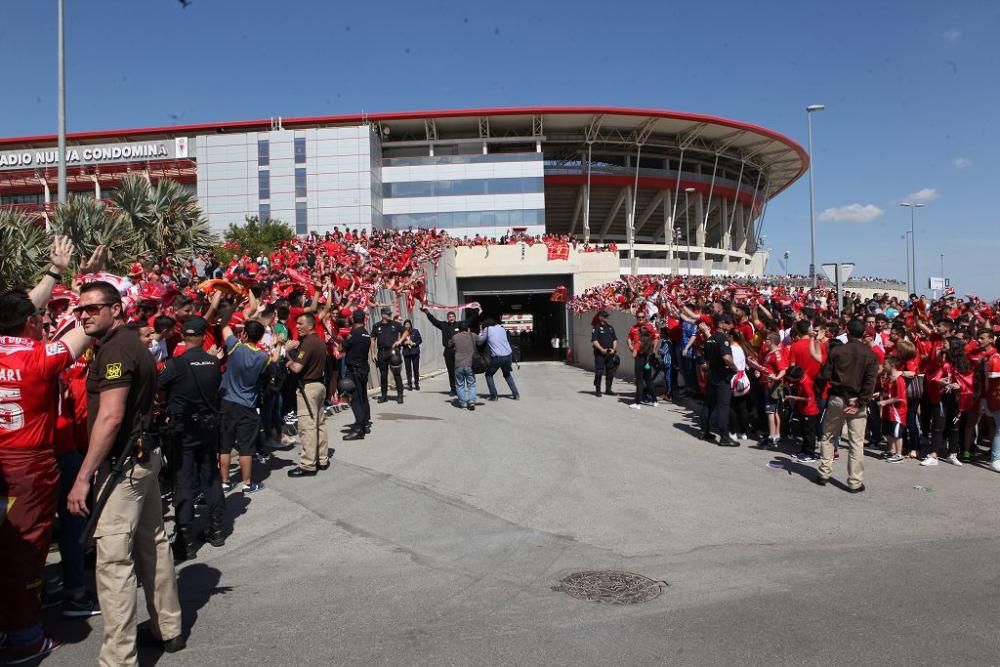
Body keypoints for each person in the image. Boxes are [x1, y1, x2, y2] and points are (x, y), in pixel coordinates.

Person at [66, 280, 185, 665]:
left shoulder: (117, 348)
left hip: (124, 466)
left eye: (92, 308)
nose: (83, 315)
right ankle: (168, 627)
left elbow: (112, 415)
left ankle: (118, 658)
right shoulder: (127, 342)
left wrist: (84, 476)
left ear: (116, 310)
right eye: (79, 309)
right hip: (143, 458)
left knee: (114, 561)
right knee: (154, 544)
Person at [0, 238, 94, 664]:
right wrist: (88, 282)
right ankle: (24, 636)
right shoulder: (40, 357)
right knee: (27, 549)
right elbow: (86, 328)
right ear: (32, 323)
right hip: (30, 465)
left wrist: (55, 274)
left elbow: (17, 314)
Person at [157, 316, 226, 561]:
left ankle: (185, 539)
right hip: (208, 427)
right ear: (201, 335)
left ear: (184, 336)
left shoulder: (176, 364)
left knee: (184, 481)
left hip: (183, 429)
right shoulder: (212, 362)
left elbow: (157, 385)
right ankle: (217, 528)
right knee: (210, 476)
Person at [813, 318, 880, 492]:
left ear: (847, 332)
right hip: (856, 400)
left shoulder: (837, 351)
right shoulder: (870, 354)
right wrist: (860, 402)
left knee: (828, 435)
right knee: (856, 443)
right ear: (863, 333)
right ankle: (854, 481)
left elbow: (824, 375)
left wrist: (818, 393)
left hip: (837, 397)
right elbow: (869, 383)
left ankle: (824, 473)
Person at [218, 303, 271, 493]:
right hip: (247, 405)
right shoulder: (264, 357)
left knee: (224, 445)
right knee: (246, 447)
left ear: (244, 334)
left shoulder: (235, 347)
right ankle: (247, 483)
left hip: (226, 402)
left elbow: (223, 324)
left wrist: (233, 304)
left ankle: (224, 481)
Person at [285, 312, 329, 475]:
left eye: (300, 324)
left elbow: (297, 368)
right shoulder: (319, 341)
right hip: (318, 385)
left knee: (307, 427)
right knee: (319, 425)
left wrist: (287, 356)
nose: (297, 327)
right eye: (296, 324)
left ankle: (308, 464)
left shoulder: (308, 343)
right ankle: (322, 459)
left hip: (308, 388)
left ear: (310, 325)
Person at [702, 314, 737, 446]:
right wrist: (735, 368)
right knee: (723, 407)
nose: (731, 325)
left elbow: (705, 362)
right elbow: (727, 358)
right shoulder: (723, 339)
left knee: (708, 405)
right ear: (721, 324)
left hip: (712, 376)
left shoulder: (710, 340)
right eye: (728, 322)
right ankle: (724, 437)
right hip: (722, 378)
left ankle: (704, 431)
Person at [422, 306, 466, 396]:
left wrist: (475, 312)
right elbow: (434, 321)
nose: (451, 318)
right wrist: (427, 313)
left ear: (455, 317)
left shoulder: (459, 325)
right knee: (451, 371)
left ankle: (460, 388)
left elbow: (469, 321)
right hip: (448, 351)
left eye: (452, 316)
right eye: (449, 317)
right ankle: (453, 389)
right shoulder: (444, 325)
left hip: (458, 351)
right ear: (447, 318)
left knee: (459, 371)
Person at [342, 310, 372, 441]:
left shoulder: (355, 335)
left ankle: (359, 428)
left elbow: (342, 347)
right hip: (363, 368)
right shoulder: (366, 334)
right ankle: (365, 422)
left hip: (354, 370)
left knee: (355, 399)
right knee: (363, 396)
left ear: (354, 320)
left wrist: (342, 339)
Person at [478, 316, 520, 401]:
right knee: (507, 375)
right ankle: (516, 394)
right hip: (508, 355)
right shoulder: (501, 327)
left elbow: (480, 341)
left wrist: (481, 331)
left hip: (497, 357)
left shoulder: (488, 329)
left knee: (488, 375)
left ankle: (494, 395)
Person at [371, 307, 404, 405]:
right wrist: (373, 353)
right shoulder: (377, 326)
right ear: (382, 315)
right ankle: (384, 396)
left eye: (390, 313)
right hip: (382, 352)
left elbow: (406, 331)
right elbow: (372, 339)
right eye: (388, 314)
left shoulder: (396, 324)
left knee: (396, 374)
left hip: (393, 351)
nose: (390, 315)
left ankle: (400, 396)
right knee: (383, 375)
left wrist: (400, 341)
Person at [626, 311, 659, 409]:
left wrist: (653, 350)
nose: (640, 318)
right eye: (639, 317)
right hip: (639, 356)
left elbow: (656, 337)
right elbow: (628, 338)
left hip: (647, 356)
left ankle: (646, 401)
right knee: (640, 379)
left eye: (642, 317)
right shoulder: (633, 328)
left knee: (647, 379)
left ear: (645, 317)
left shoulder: (649, 326)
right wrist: (631, 347)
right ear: (636, 318)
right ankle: (643, 401)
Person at [449, 322, 479, 410]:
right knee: (471, 384)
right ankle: (472, 401)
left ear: (459, 329)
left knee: (460, 385)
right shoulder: (473, 335)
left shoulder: (455, 337)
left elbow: (449, 344)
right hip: (470, 364)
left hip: (458, 364)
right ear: (467, 328)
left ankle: (463, 403)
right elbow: (481, 341)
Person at [591, 310, 618, 397]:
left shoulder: (611, 328)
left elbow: (615, 339)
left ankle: (608, 389)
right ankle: (598, 390)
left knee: (610, 372)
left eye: (607, 316)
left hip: (610, 354)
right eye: (605, 316)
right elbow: (594, 341)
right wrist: (602, 349)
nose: (607, 318)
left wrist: (614, 349)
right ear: (600, 317)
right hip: (600, 354)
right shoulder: (596, 328)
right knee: (599, 372)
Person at [400, 319, 422, 391]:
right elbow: (400, 342)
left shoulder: (415, 331)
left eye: (408, 324)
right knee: (408, 369)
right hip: (406, 353)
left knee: (416, 369)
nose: (407, 326)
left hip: (415, 352)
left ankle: (416, 383)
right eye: (405, 324)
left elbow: (420, 340)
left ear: (410, 325)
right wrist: (404, 343)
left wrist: (414, 343)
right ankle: (409, 384)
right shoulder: (402, 333)